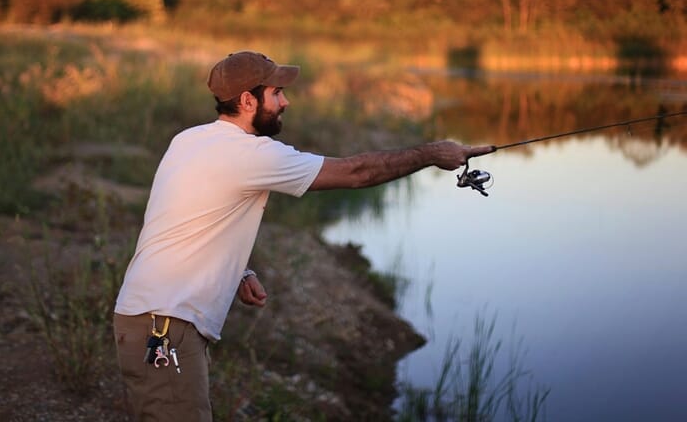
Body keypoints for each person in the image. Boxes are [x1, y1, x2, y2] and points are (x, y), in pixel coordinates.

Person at [113, 51, 494, 421]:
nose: (286, 101)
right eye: (276, 93)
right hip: (164, 328)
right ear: (248, 100)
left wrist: (239, 270)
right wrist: (431, 153)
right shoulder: (252, 154)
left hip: (151, 320)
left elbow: (184, 216)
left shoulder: (189, 139)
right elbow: (356, 173)